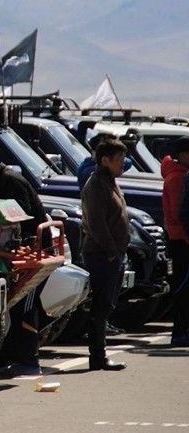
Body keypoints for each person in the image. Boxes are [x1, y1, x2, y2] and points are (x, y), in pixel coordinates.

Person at [0, 163, 49, 376]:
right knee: (17, 308)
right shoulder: (5, 181)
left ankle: (30, 361)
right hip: (29, 246)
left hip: (36, 246)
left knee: (25, 309)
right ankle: (12, 359)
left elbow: (22, 210)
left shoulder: (10, 180)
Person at [80, 137, 130, 370]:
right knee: (100, 306)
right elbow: (96, 224)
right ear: (105, 160)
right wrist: (111, 252)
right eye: (118, 159)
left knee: (107, 305)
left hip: (113, 253)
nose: (123, 163)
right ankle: (98, 356)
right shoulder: (96, 185)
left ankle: (99, 354)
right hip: (101, 254)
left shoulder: (110, 181)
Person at [162, 136, 189, 347]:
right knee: (182, 288)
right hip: (181, 240)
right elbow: (180, 213)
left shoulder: (179, 174)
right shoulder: (177, 178)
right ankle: (179, 332)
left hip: (180, 237)